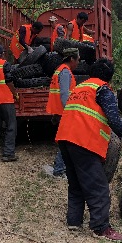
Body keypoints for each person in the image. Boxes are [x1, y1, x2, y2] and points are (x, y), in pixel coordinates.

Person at [55, 58, 122, 241]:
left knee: (75, 183)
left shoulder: (80, 88)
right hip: (84, 141)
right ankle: (101, 228)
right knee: (98, 186)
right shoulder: (102, 90)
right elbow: (114, 118)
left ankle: (73, 221)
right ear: (109, 78)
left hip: (64, 139)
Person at [44, 48, 79, 178]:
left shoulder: (60, 70)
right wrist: (69, 111)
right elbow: (64, 94)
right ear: (71, 59)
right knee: (66, 141)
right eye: (78, 60)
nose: (78, 63)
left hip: (59, 111)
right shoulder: (65, 72)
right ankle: (59, 170)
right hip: (64, 112)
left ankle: (61, 168)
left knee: (65, 141)